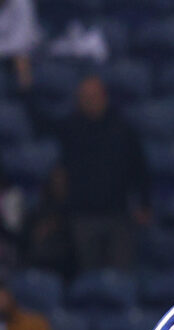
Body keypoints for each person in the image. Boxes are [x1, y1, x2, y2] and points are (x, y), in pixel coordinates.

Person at [48, 76, 152, 271]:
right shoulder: (70, 128)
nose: (90, 101)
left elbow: (140, 167)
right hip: (82, 215)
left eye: (94, 96)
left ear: (104, 97)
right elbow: (42, 125)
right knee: (88, 277)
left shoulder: (123, 128)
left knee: (121, 275)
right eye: (85, 97)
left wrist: (145, 203)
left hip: (117, 214)